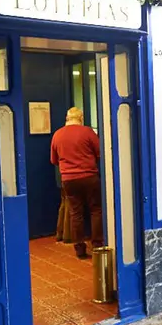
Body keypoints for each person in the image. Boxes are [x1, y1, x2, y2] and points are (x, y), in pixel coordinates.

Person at [50, 107, 103, 258]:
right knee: (96, 210)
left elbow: (53, 160)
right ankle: (97, 245)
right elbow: (99, 152)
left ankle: (79, 249)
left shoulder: (58, 135)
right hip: (89, 177)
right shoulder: (88, 132)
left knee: (76, 213)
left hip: (69, 179)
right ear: (81, 118)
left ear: (67, 118)